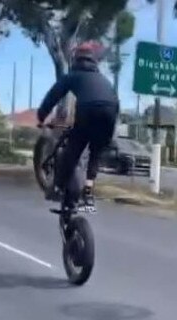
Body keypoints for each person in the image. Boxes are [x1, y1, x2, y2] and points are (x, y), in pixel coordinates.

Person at [37, 40, 119, 211]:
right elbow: (112, 101)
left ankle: (58, 188)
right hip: (111, 110)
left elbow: (53, 96)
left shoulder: (73, 76)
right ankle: (88, 192)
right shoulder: (102, 78)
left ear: (75, 60)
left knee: (73, 151)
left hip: (88, 109)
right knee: (95, 151)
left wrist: (41, 116)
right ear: (94, 61)